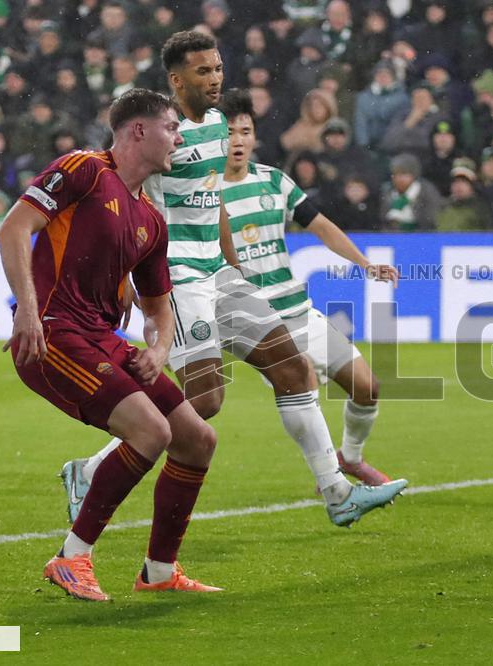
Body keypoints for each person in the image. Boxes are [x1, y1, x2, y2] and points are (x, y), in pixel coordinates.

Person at [62, 31, 407, 528]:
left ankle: (336, 492)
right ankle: (90, 471)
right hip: (177, 276)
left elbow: (214, 197)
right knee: (204, 402)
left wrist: (234, 266)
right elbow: (119, 202)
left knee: (293, 371)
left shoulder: (220, 123)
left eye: (218, 68)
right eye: (203, 72)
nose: (216, 79)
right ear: (176, 80)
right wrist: (127, 280)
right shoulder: (158, 131)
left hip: (220, 273)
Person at [0, 88, 220, 602]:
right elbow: (14, 229)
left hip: (101, 337)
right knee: (150, 430)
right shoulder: (83, 169)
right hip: (53, 333)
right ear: (138, 129)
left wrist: (160, 349)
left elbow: (160, 306)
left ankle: (160, 571)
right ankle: (71, 556)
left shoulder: (151, 220)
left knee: (198, 438)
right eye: (171, 127)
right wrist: (27, 311)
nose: (179, 138)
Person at [217, 88, 398, 482]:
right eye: (229, 132)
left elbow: (322, 227)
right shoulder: (202, 195)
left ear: (254, 136)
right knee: (303, 385)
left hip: (297, 311)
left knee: (367, 388)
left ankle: (350, 458)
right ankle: (332, 483)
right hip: (254, 320)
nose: (238, 141)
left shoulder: (275, 183)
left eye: (244, 131)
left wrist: (365, 264)